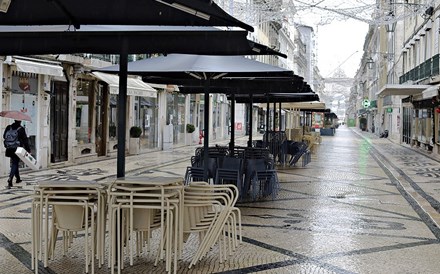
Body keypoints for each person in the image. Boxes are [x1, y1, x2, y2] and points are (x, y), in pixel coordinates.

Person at [3, 120, 30, 189]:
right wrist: (28, 150)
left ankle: (18, 178)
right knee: (15, 163)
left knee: (14, 163)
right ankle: (10, 179)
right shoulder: (21, 129)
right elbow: (25, 140)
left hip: (9, 148)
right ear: (20, 122)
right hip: (17, 148)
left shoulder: (8, 127)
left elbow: (4, 136)